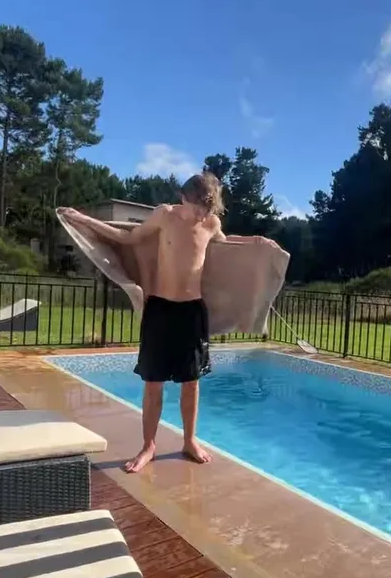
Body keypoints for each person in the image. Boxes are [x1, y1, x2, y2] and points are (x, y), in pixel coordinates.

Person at [60, 172, 277, 473]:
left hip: (192, 312)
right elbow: (128, 238)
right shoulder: (164, 215)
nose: (202, 214)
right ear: (183, 198)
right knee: (153, 381)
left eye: (207, 208)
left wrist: (256, 244)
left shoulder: (211, 223)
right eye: (198, 207)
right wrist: (83, 219)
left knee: (191, 382)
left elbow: (227, 249)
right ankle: (148, 445)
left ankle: (189, 441)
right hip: (160, 309)